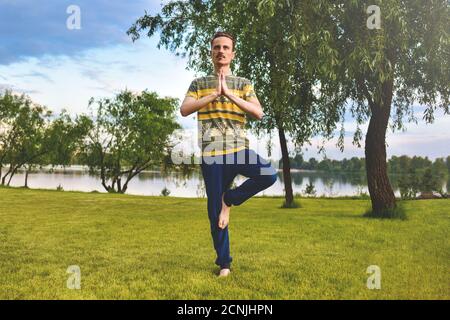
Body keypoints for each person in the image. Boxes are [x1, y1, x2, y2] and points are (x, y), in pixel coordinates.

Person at [180, 31, 277, 277]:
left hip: (238, 149)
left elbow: (258, 112)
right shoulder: (199, 84)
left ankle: (230, 199)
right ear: (211, 53)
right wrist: (214, 94)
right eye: (217, 47)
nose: (221, 51)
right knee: (214, 213)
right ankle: (224, 264)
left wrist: (229, 95)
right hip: (212, 155)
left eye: (226, 47)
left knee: (269, 175)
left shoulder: (244, 84)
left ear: (232, 53)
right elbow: (184, 110)